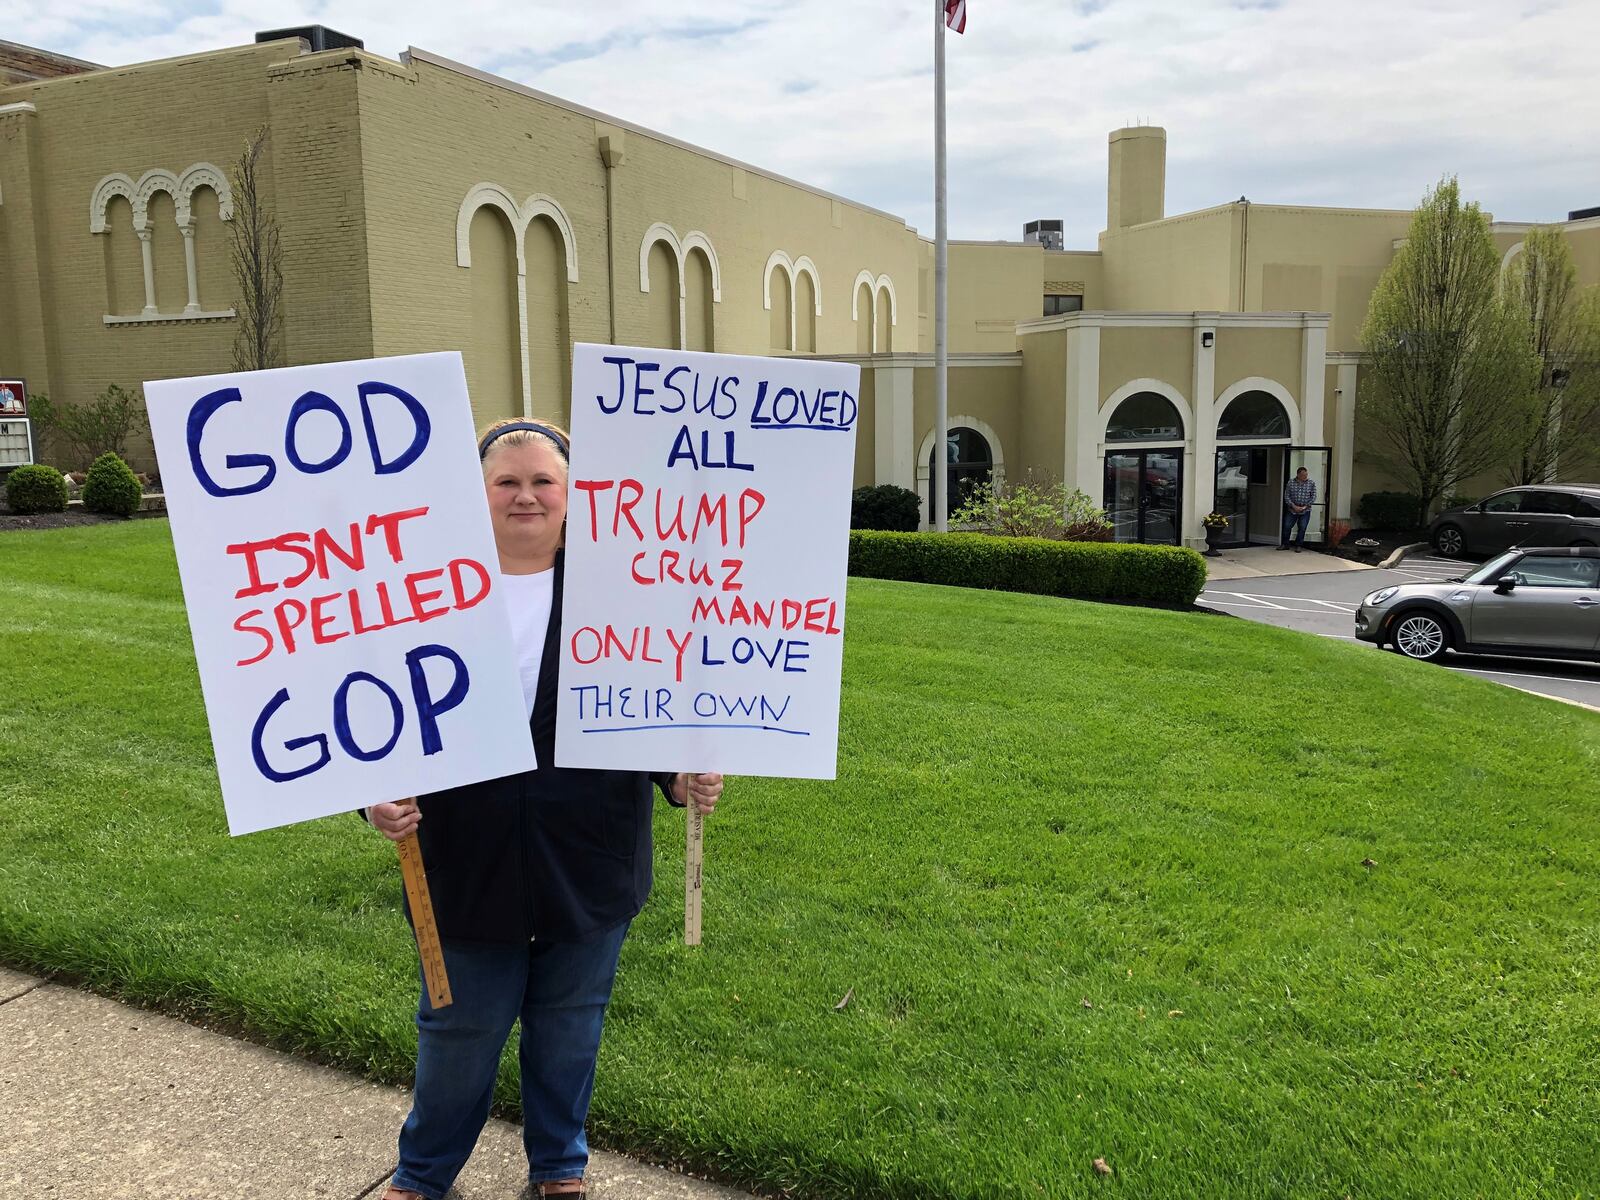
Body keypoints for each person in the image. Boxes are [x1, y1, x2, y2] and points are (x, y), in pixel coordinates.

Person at [367, 416, 725, 1200]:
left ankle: (559, 1166)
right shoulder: (419, 594)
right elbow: (370, 714)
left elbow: (651, 704)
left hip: (589, 858)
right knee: (459, 1032)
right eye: (507, 481)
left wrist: (677, 776)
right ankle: (423, 1176)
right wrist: (372, 800)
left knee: (569, 1028)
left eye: (543, 482)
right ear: (478, 493)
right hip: (463, 860)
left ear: (574, 496)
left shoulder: (626, 592)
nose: (525, 496)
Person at [1280, 466, 1317, 552]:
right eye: (1303, 475)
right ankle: (1285, 544)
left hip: (1305, 509)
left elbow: (1313, 496)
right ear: (1298, 475)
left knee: (1302, 527)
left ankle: (1298, 545)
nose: (1305, 476)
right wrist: (1293, 506)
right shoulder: (1291, 483)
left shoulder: (1311, 483)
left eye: (1306, 474)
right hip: (1292, 509)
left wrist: (1305, 506)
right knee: (1287, 526)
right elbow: (1286, 496)